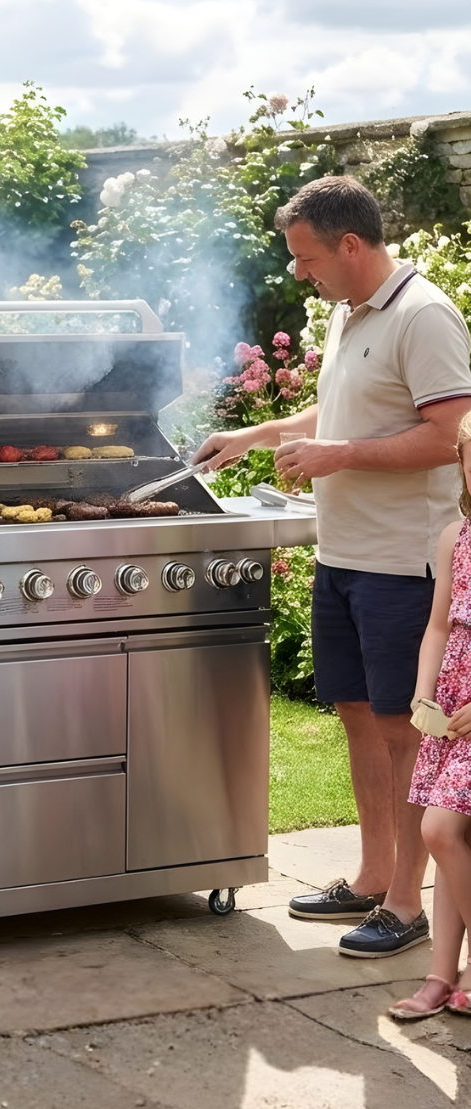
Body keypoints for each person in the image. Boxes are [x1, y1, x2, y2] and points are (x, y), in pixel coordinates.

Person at [195, 175, 471, 958]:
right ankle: (372, 874)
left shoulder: (423, 314)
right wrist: (256, 438)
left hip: (403, 560)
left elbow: (448, 431)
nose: (298, 273)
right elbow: (347, 410)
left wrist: (335, 456)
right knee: (355, 715)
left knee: (401, 727)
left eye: (306, 257)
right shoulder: (353, 314)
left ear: (351, 245)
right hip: (344, 554)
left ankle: (408, 906)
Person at [389, 411, 471, 1019]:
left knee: (439, 831)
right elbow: (439, 624)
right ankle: (442, 976)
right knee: (451, 843)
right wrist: (423, 694)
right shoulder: (456, 538)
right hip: (448, 710)